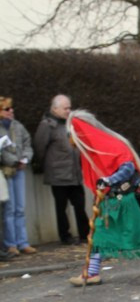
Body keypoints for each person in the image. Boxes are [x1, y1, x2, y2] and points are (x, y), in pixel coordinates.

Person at [65, 110, 140, 286]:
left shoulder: (112, 145)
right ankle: (92, 273)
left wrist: (109, 179)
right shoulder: (90, 153)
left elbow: (127, 168)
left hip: (126, 199)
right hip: (109, 201)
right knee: (99, 233)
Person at [33, 94, 90, 245]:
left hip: (74, 173)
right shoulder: (47, 125)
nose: (68, 110)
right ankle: (65, 236)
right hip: (58, 174)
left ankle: (85, 234)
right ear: (55, 109)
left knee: (80, 204)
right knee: (61, 208)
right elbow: (40, 147)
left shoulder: (70, 123)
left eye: (69, 107)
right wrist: (49, 165)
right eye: (65, 108)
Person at [0, 97, 37, 255]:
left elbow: (28, 144)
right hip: (6, 171)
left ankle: (23, 242)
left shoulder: (18, 126)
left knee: (20, 208)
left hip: (19, 170)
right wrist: (14, 161)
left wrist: (25, 159)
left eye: (11, 108)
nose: (11, 111)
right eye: (7, 109)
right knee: (9, 208)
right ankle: (11, 244)